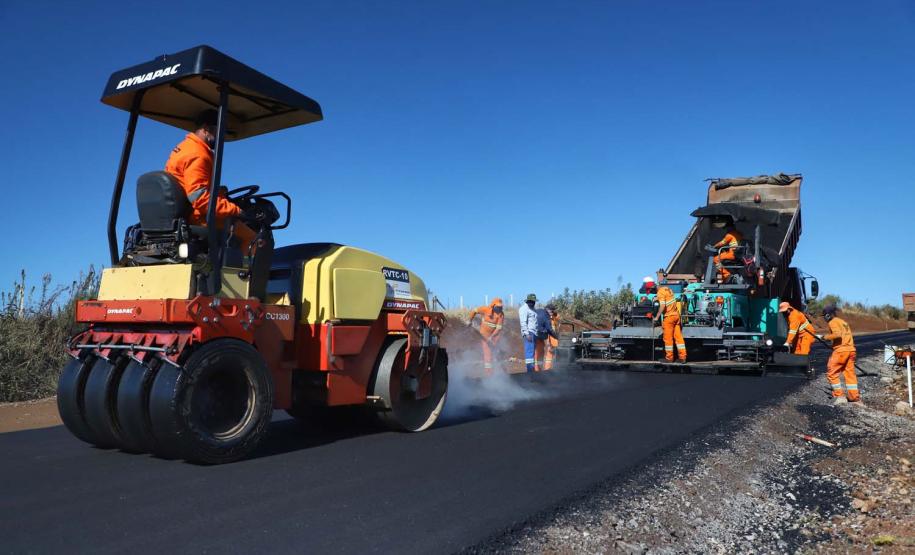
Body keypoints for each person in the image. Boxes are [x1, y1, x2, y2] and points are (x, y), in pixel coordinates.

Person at [165, 110, 257, 253]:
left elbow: (187, 184)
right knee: (253, 238)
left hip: (183, 214)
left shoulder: (183, 147)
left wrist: (219, 192)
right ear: (207, 129)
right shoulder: (198, 154)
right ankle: (245, 275)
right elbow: (199, 197)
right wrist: (236, 210)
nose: (222, 137)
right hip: (198, 217)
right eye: (220, 131)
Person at [820, 305, 860, 404]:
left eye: (824, 315)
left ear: (828, 315)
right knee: (850, 374)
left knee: (832, 372)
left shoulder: (833, 322)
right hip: (851, 350)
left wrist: (825, 337)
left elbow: (837, 334)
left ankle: (839, 395)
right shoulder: (843, 322)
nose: (824, 318)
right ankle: (854, 396)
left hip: (841, 351)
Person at [467, 298, 505, 375]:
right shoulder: (485, 309)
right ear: (493, 306)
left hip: (495, 335)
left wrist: (492, 337)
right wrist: (470, 320)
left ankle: (502, 370)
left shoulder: (501, 315)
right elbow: (474, 310)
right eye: (498, 307)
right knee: (488, 353)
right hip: (484, 334)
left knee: (496, 352)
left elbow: (498, 329)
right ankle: (489, 374)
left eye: (501, 307)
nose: (500, 309)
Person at [653, 285, 687, 363]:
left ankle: (669, 358)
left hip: (669, 317)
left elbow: (662, 305)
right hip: (676, 316)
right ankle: (683, 357)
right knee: (678, 338)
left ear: (654, 288)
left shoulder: (660, 292)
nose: (654, 293)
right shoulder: (668, 289)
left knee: (668, 339)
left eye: (653, 291)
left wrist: (657, 317)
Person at [534, 304, 559, 371]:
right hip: (543, 336)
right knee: (544, 354)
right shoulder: (546, 316)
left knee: (539, 353)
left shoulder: (538, 311)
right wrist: (557, 337)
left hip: (535, 335)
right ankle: (545, 370)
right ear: (548, 310)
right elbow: (549, 329)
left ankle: (538, 370)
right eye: (552, 311)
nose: (552, 313)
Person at [519, 293, 539, 373]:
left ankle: (532, 370)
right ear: (528, 301)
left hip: (534, 333)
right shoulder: (524, 309)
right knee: (529, 353)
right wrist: (527, 334)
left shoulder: (533, 309)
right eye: (531, 301)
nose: (533, 303)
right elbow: (523, 322)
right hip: (529, 333)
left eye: (534, 301)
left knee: (532, 352)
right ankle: (530, 371)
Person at [543, 304, 562, 371]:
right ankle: (547, 369)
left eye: (552, 311)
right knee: (549, 355)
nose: (552, 312)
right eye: (551, 310)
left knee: (555, 354)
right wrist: (548, 342)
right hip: (549, 339)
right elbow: (547, 331)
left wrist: (555, 314)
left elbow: (558, 319)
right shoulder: (545, 318)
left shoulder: (553, 317)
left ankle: (554, 369)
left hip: (554, 339)